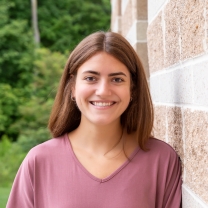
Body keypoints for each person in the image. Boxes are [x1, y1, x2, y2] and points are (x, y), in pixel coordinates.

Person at [6, 31, 182, 208]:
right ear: (73, 87)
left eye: (117, 79)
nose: (103, 91)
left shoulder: (162, 160)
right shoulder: (39, 161)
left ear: (133, 90)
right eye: (91, 78)